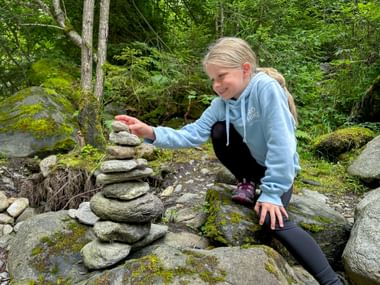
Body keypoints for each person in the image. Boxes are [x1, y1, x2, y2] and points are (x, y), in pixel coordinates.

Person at [115, 37, 342, 285]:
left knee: (272, 222)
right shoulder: (222, 103)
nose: (216, 85)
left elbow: (282, 144)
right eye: (212, 79)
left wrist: (272, 193)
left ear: (245, 69)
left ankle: (331, 281)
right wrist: (149, 132)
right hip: (253, 164)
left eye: (221, 76)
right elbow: (192, 133)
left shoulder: (266, 89)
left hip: (277, 169)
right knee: (219, 130)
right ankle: (245, 180)